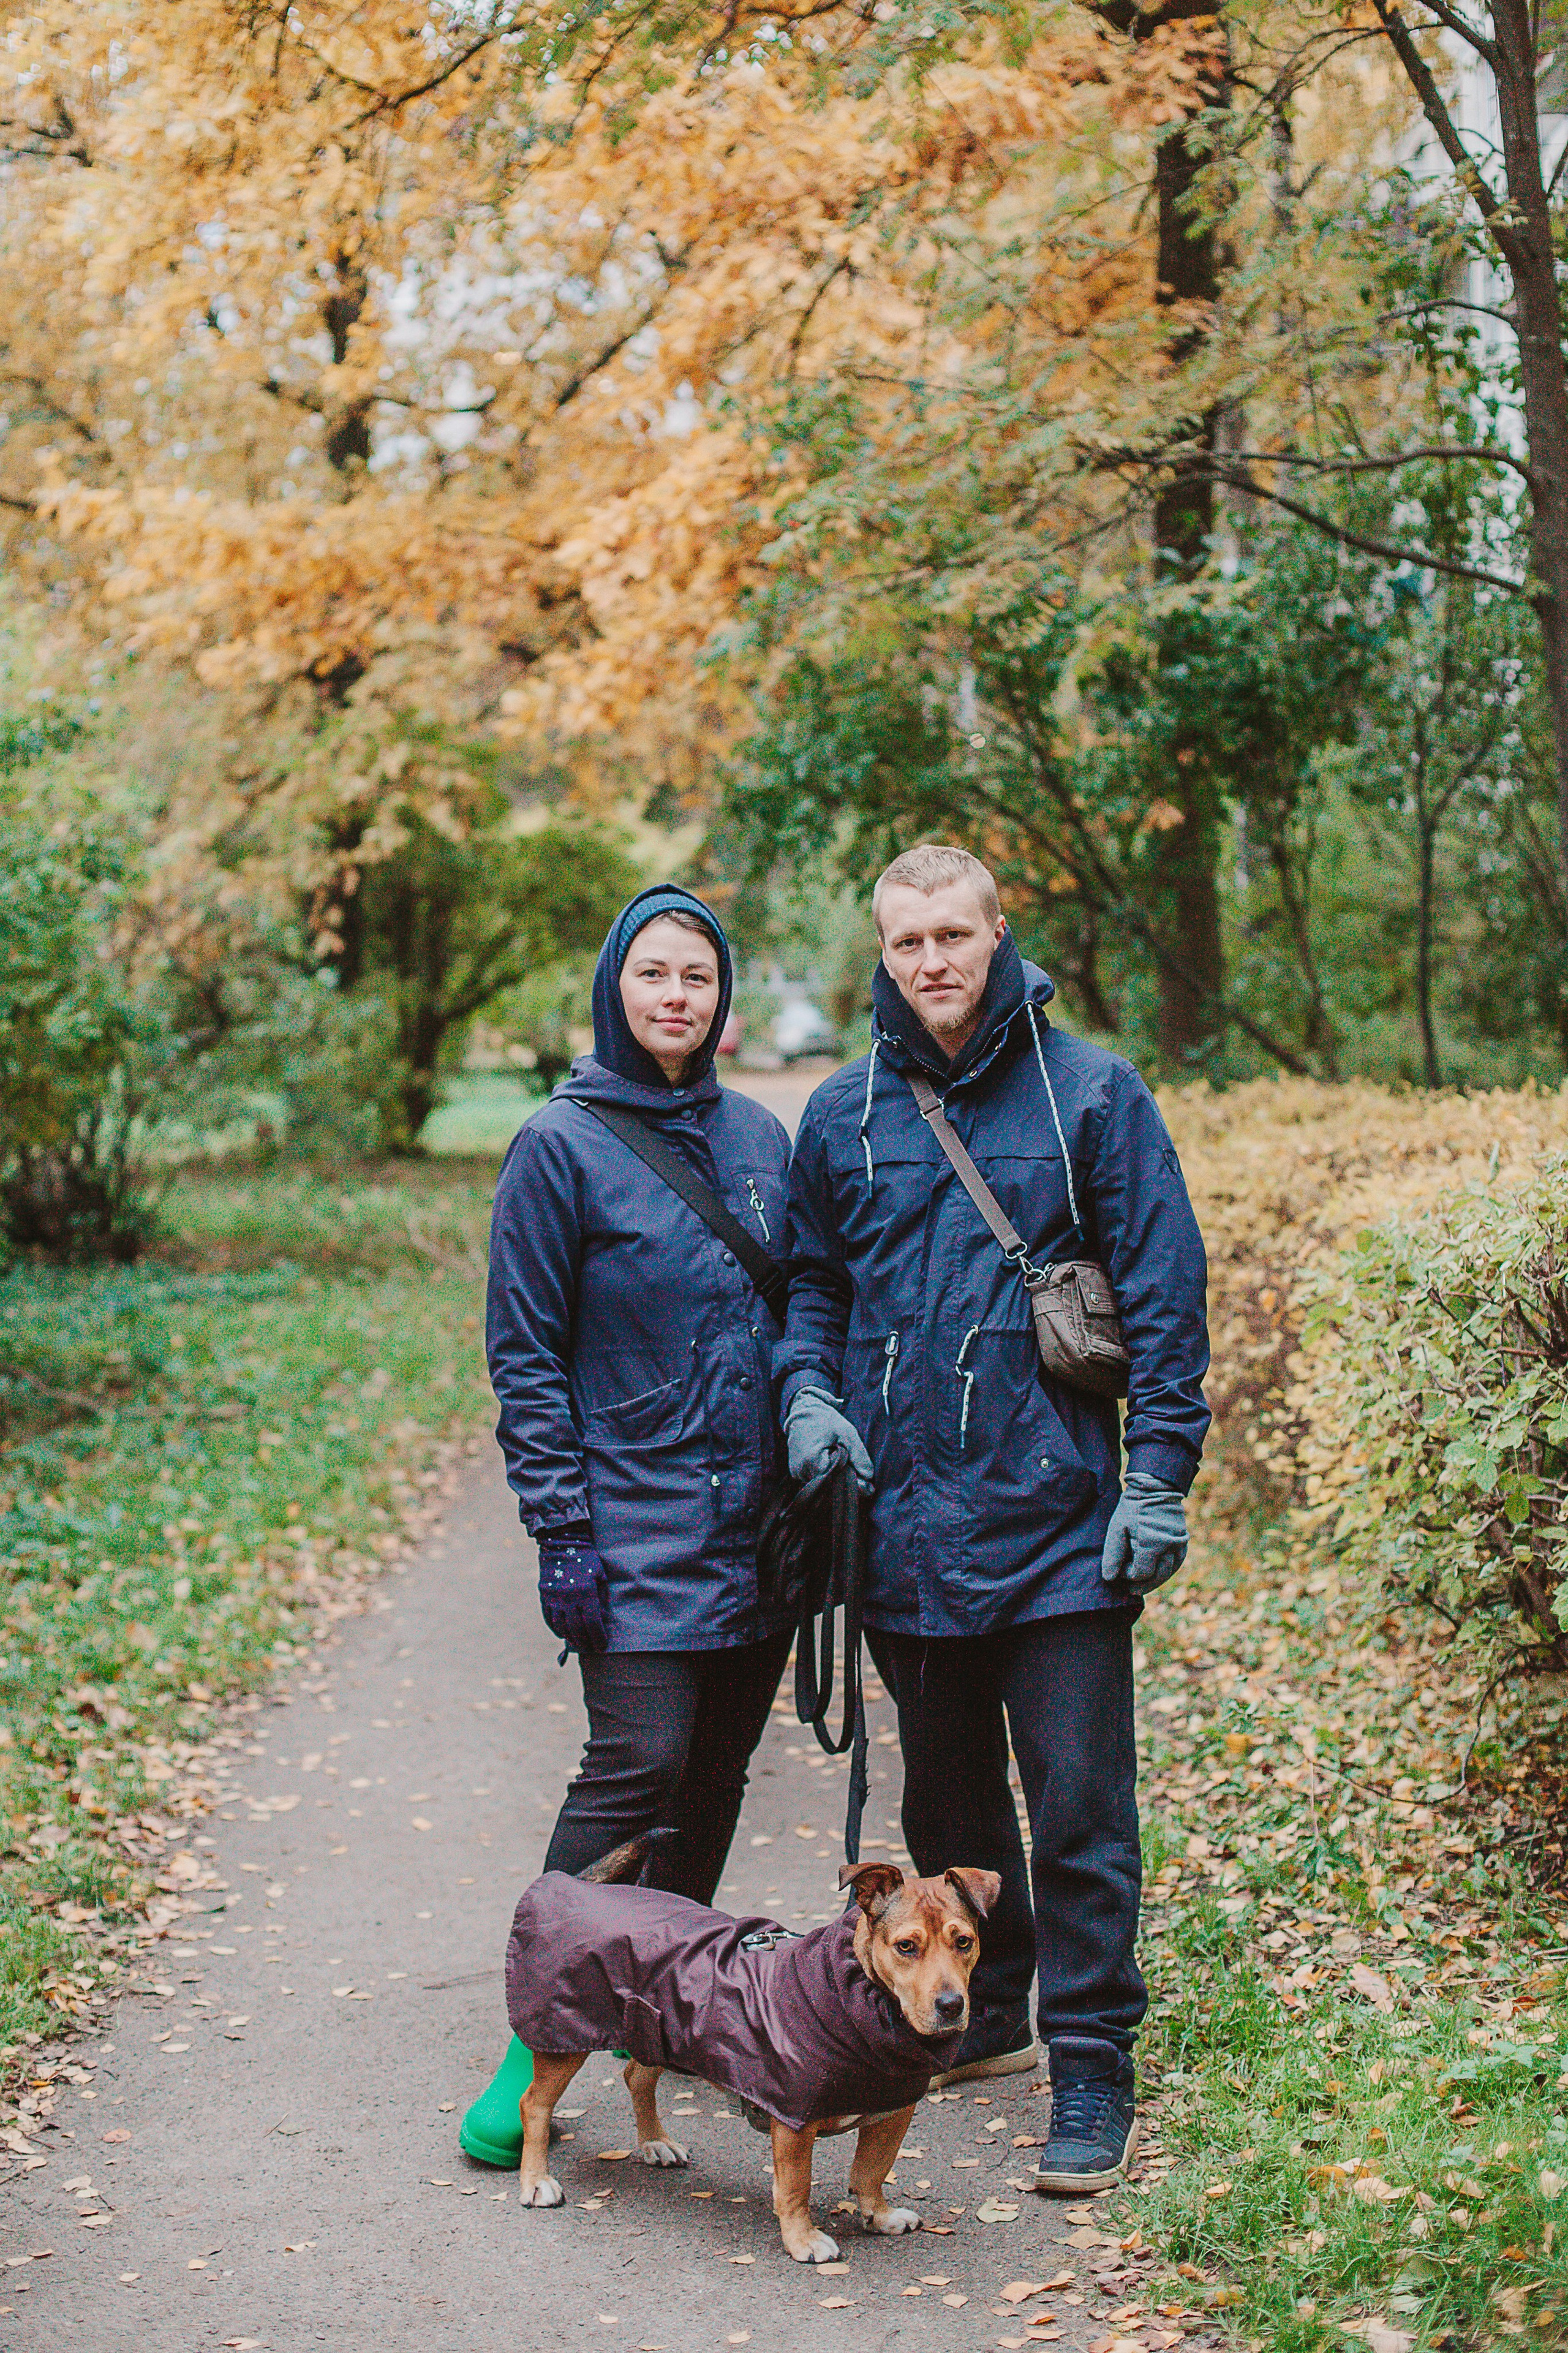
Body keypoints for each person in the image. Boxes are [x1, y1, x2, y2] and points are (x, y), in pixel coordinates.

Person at [777, 844, 1208, 2192]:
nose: (930, 963)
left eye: (952, 936)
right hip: (906, 1534)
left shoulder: (1091, 1093)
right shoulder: (841, 1114)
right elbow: (810, 1291)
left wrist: (1157, 1476)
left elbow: (1163, 1291)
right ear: (881, 953)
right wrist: (803, 1394)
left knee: (1079, 1813)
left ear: (997, 934)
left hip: (1066, 1527)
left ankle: (1091, 2068)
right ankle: (994, 2016)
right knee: (953, 1804)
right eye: (905, 943)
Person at [461, 883, 794, 2167]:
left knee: (710, 1783)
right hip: (633, 1519)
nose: (674, 995)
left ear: (721, 1000)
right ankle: (533, 2044)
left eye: (696, 978)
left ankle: (658, 2021)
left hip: (757, 1528)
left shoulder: (762, 1140)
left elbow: (803, 1299)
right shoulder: (560, 1144)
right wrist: (561, 1528)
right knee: (633, 1768)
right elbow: (525, 1351)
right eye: (652, 973)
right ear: (616, 986)